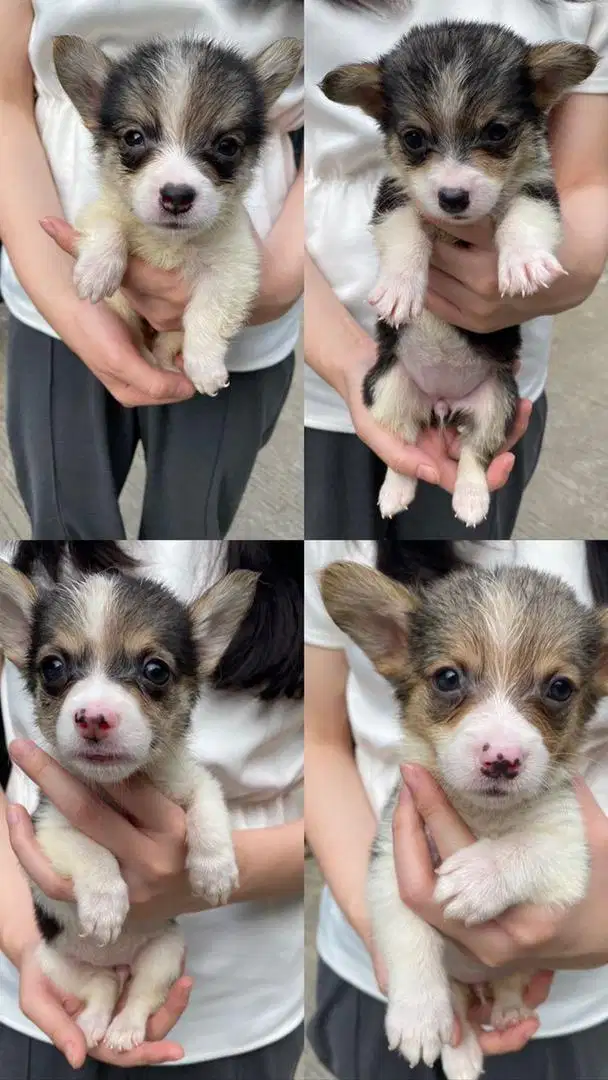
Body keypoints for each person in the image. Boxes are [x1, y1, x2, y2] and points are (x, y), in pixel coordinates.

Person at [304, 0, 608, 540]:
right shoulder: (401, 177)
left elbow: (550, 198)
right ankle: (404, 467)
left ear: (542, 93)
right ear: (379, 108)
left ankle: (470, 467)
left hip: (489, 366)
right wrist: (403, 267)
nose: (452, 181)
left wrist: (539, 255)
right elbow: (395, 218)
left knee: (488, 444)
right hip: (364, 358)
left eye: (493, 135)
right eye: (418, 142)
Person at [0, 540, 304, 1079]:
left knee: (162, 952)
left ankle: (133, 1006)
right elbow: (51, 836)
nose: (95, 710)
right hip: (34, 981)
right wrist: (26, 947)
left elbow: (349, 771)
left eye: (153, 673)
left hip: (242, 1005)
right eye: (55, 669)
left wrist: (214, 863)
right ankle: (99, 999)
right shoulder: (29, 549)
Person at [0, 0, 303, 540]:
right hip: (51, 297)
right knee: (62, 534)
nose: (178, 180)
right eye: (138, 140)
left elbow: (351, 129)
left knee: (193, 528)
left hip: (251, 315)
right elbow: (6, 99)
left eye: (225, 146)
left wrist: (275, 283)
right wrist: (62, 296)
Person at [305, 538, 608, 1079]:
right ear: (395, 645)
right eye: (451, 679)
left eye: (556, 689)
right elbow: (388, 879)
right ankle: (451, 1014)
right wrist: (414, 981)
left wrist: (517, 876)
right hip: (364, 974)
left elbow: (560, 867)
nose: (503, 748)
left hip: (578, 1005)